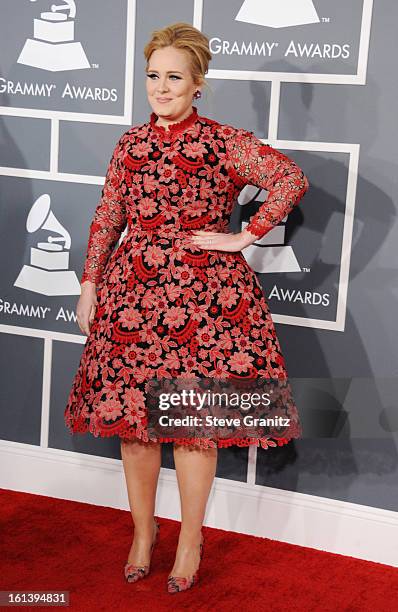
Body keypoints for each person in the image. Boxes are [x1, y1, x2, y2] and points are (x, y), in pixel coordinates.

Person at [64, 22, 309, 593]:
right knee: (137, 428)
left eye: (174, 77)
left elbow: (288, 179)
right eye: (153, 76)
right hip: (132, 297)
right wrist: (89, 284)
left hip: (204, 296)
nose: (162, 87)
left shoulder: (222, 142)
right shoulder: (130, 143)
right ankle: (144, 534)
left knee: (191, 425)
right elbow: (108, 217)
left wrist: (244, 235)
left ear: (198, 83)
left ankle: (191, 538)